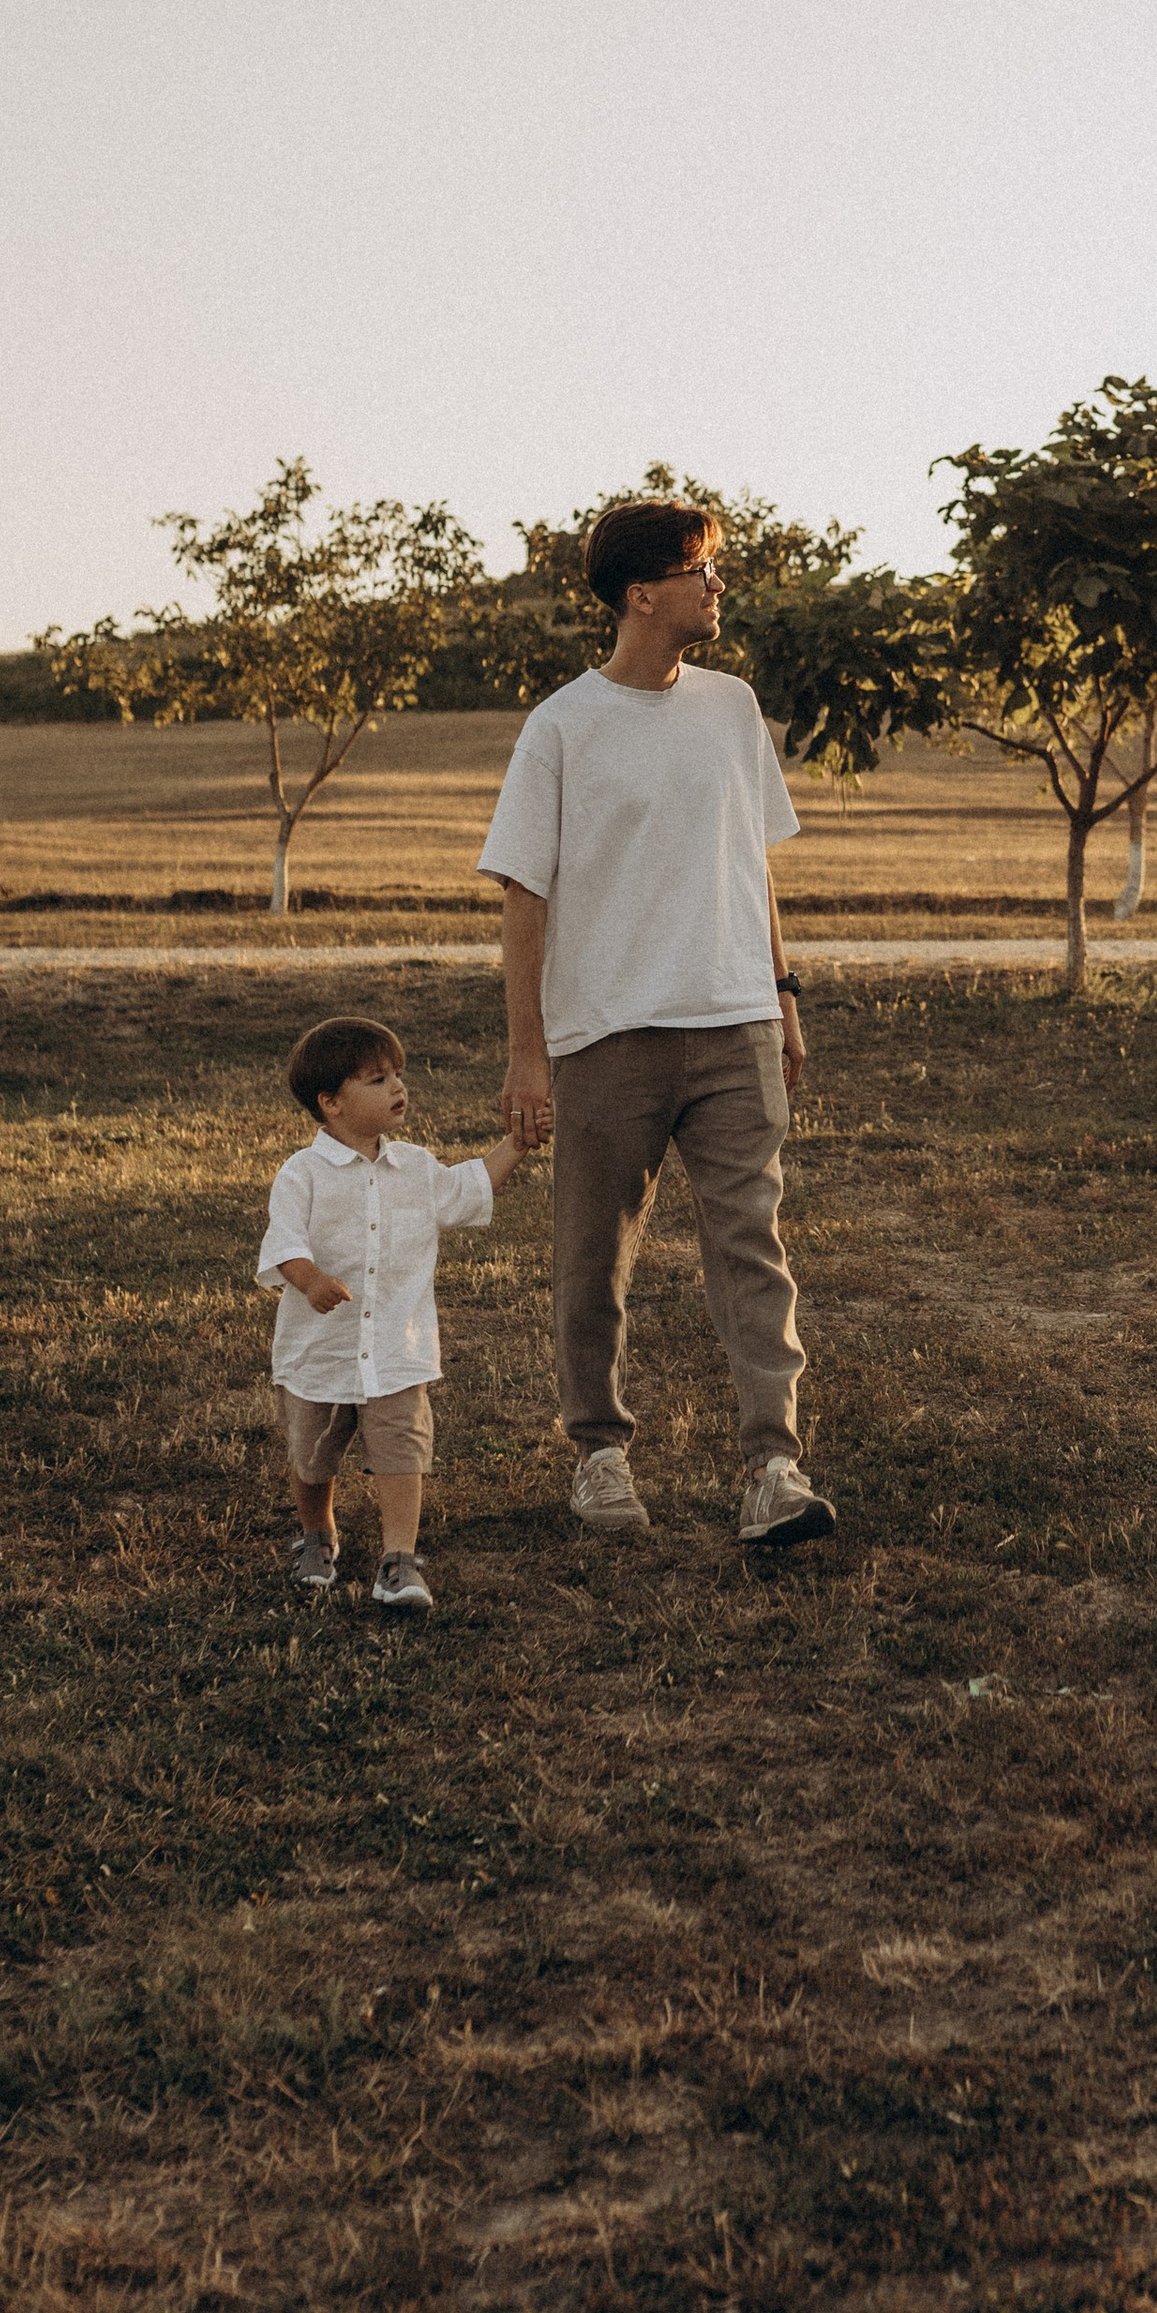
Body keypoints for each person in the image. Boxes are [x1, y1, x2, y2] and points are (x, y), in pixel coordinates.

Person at [478, 495, 837, 1554]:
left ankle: (774, 1467)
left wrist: (782, 994)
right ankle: (598, 1456)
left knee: (752, 1251)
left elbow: (753, 862)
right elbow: (523, 897)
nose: (716, 585)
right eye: (701, 570)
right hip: (605, 1036)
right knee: (593, 1262)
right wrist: (527, 1057)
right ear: (643, 594)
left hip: (732, 1024)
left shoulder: (732, 708)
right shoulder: (561, 728)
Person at [258, 1013, 535, 1616]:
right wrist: (311, 1283)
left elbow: (468, 1190)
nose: (398, 1088)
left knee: (401, 1449)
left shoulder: (416, 1167)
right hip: (319, 1351)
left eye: (397, 1076)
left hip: (395, 1348)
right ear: (330, 1103)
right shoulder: (301, 1174)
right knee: (311, 1454)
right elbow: (283, 1247)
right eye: (377, 1080)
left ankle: (398, 1559)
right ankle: (317, 1536)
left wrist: (514, 1145)